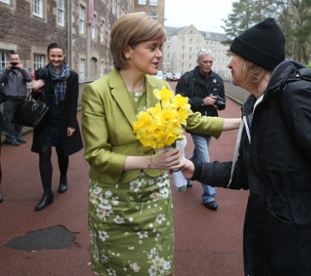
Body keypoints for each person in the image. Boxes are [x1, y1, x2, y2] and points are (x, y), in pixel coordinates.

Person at [182, 18, 311, 275]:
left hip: (302, 249)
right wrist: (195, 169)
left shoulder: (299, 97)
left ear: (252, 62)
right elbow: (246, 172)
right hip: (268, 239)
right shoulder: (255, 105)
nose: (229, 63)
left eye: (234, 56)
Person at [80, 12, 239, 275]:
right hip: (113, 201)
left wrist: (243, 123)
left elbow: (194, 120)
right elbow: (96, 155)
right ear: (127, 50)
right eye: (152, 47)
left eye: (161, 47)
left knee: (157, 267)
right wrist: (150, 161)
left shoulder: (160, 87)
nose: (160, 54)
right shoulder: (97, 92)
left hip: (154, 196)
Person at [29, 43, 83, 211]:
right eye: (53, 56)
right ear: (48, 56)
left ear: (64, 56)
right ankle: (47, 193)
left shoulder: (72, 76)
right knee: (44, 152)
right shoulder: (43, 74)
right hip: (46, 120)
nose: (56, 59)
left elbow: (73, 101)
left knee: (62, 152)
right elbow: (36, 98)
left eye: (59, 56)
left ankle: (63, 177)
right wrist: (36, 89)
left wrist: (71, 123)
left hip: (63, 119)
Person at [175, 49, 226, 211]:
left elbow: (223, 101)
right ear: (198, 61)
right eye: (205, 62)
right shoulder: (188, 78)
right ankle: (209, 195)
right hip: (195, 122)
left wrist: (219, 103)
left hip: (210, 121)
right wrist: (203, 101)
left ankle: (186, 169)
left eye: (210, 62)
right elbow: (179, 101)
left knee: (198, 153)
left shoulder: (217, 79)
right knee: (204, 156)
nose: (208, 65)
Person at [0, 51, 33, 146]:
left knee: (20, 119)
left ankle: (18, 136)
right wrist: (7, 69)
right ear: (9, 60)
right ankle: (10, 138)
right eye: (12, 59)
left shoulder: (23, 70)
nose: (14, 61)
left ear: (19, 60)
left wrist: (22, 69)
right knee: (9, 119)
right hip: (9, 99)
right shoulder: (5, 70)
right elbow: (0, 80)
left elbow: (29, 79)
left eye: (16, 59)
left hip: (22, 98)